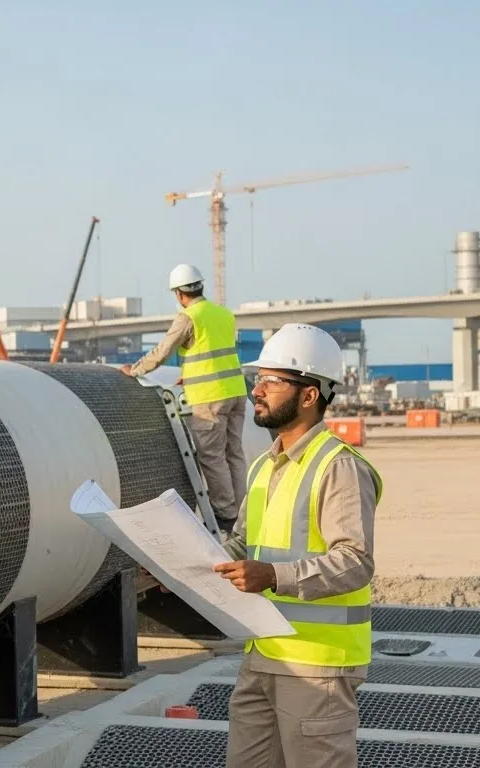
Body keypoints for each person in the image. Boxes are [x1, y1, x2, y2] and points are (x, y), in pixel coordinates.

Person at [212, 323, 382, 768]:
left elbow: (355, 561)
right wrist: (182, 565)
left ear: (309, 395)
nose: (256, 390)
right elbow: (243, 545)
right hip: (263, 654)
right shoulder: (264, 467)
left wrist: (273, 576)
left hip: (316, 667)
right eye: (257, 379)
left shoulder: (338, 467)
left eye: (271, 381)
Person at [123, 263, 249, 531]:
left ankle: (226, 515)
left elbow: (162, 351)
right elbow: (212, 352)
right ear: (200, 287)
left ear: (179, 294)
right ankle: (244, 513)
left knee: (212, 456)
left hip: (210, 397)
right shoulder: (224, 314)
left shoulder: (189, 317)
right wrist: (189, 375)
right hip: (237, 392)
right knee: (234, 454)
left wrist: (134, 370)